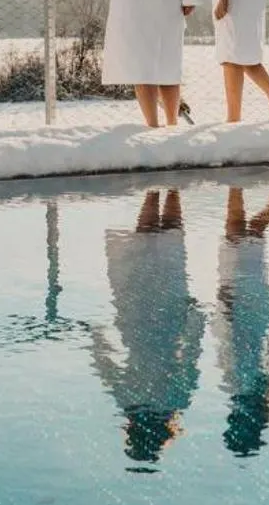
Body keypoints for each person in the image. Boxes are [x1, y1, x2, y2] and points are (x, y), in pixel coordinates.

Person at [88, 189, 205, 466]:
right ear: (132, 433)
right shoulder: (128, 401)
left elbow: (190, 357)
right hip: (136, 322)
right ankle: (154, 186)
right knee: (143, 243)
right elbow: (105, 365)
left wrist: (196, 318)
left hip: (169, 322)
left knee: (171, 241)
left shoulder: (176, 401)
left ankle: (173, 184)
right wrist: (95, 336)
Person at [216, 184, 269, 456]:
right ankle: (236, 184)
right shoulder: (238, 386)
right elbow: (231, 342)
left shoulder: (262, 394)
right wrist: (225, 306)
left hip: (257, 311)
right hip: (240, 311)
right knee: (237, 235)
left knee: (252, 237)